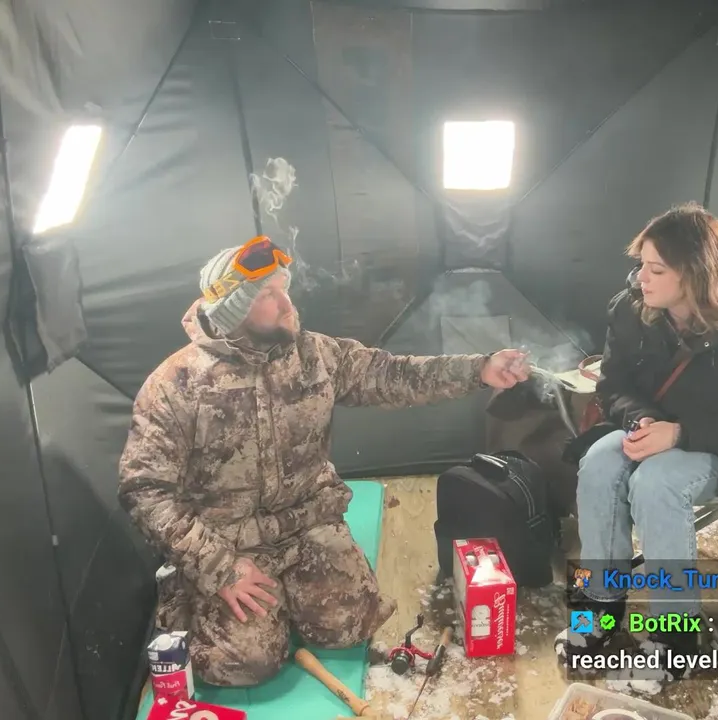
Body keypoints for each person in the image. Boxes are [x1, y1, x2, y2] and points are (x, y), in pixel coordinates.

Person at [118, 235, 530, 687]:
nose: (286, 303)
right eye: (268, 294)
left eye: (284, 287)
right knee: (246, 664)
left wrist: (480, 369)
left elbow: (394, 375)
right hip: (229, 544)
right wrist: (219, 568)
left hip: (307, 524)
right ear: (234, 311)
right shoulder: (175, 385)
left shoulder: (316, 355)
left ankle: (285, 601)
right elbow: (144, 491)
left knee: (350, 626)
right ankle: (189, 597)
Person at [556, 202, 718, 684]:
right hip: (654, 429)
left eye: (657, 269)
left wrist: (680, 434)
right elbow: (613, 386)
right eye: (641, 264)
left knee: (657, 482)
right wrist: (642, 419)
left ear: (695, 274)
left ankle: (675, 638)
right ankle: (597, 609)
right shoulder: (631, 309)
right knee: (599, 464)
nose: (641, 278)